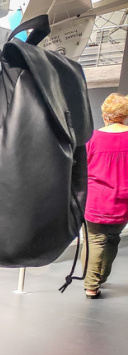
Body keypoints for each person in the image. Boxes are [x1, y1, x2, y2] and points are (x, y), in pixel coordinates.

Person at [82, 93, 128, 299]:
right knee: (113, 238)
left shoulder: (92, 138)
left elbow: (82, 168)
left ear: (105, 115)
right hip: (124, 201)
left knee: (94, 240)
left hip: (97, 200)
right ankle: (102, 277)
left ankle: (91, 285)